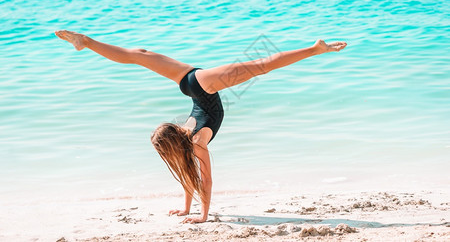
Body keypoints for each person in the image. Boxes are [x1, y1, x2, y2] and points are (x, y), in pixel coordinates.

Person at [55, 30, 347, 223]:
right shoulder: (189, 140)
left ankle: (314, 48)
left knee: (261, 65)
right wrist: (186, 209)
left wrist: (203, 216)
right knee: (139, 55)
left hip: (205, 86)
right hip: (192, 85)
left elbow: (204, 181)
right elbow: (189, 174)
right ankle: (87, 42)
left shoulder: (195, 143)